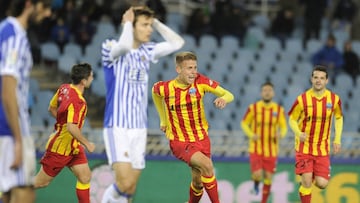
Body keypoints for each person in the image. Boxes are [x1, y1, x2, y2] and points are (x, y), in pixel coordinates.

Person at [101, 6, 184, 203]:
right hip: (117, 126)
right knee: (123, 184)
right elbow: (123, 46)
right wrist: (128, 24)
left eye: (150, 25)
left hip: (139, 128)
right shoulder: (110, 47)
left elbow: (177, 42)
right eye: (145, 25)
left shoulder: (148, 50)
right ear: (131, 25)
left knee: (130, 188)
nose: (149, 30)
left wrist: (155, 21)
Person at [152, 51, 234, 203]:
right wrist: (163, 120)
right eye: (189, 68)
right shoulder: (166, 88)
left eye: (195, 67)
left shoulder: (200, 81)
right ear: (178, 69)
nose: (193, 72)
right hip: (180, 141)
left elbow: (229, 94)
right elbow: (155, 92)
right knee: (208, 165)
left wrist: (223, 98)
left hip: (202, 139)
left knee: (198, 182)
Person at [0, 1, 51, 203]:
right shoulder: (15, 37)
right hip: (10, 129)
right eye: (44, 7)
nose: (47, 14)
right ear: (30, 4)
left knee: (8, 194)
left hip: (6, 129)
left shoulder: (4, 30)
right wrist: (19, 140)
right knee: (24, 195)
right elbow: (7, 89)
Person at [34, 63, 96, 203]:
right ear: (83, 81)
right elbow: (72, 127)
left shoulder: (64, 88)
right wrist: (87, 144)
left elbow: (51, 108)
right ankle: (6, 190)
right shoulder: (79, 101)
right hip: (60, 148)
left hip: (72, 146)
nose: (92, 78)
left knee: (85, 177)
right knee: (40, 183)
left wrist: (63, 125)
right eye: (91, 76)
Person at [288, 65, 343, 203]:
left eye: (322, 78)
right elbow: (292, 119)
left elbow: (338, 117)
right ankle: (306, 180)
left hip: (322, 148)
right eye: (316, 77)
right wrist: (298, 132)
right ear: (311, 79)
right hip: (304, 147)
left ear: (327, 81)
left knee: (322, 184)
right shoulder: (302, 100)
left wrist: (337, 139)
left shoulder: (334, 99)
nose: (318, 80)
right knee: (306, 181)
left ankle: (308, 178)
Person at [241, 81, 288, 203]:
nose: (267, 93)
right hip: (256, 148)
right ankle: (256, 184)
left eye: (269, 90)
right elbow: (244, 123)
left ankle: (263, 201)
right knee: (257, 174)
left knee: (268, 177)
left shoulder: (279, 110)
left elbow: (284, 127)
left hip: (271, 149)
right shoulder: (253, 108)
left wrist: (280, 134)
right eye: (265, 90)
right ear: (261, 93)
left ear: (273, 93)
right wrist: (251, 135)